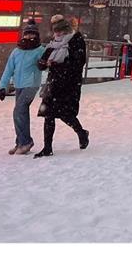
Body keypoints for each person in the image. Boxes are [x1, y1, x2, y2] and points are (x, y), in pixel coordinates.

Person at [33, 14, 89, 158]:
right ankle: (47, 147)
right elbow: (42, 60)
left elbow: (78, 63)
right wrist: (43, 63)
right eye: (55, 31)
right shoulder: (54, 43)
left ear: (66, 29)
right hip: (54, 83)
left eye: (60, 31)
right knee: (49, 114)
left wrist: (58, 66)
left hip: (69, 84)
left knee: (66, 114)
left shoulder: (76, 40)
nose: (57, 34)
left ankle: (81, 132)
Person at [0, 22, 46, 155]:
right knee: (20, 113)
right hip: (19, 85)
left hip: (31, 84)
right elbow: (9, 69)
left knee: (19, 111)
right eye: (27, 33)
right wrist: (2, 87)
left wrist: (43, 65)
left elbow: (45, 63)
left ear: (36, 36)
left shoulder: (40, 50)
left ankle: (25, 142)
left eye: (32, 34)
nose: (29, 36)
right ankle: (20, 141)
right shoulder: (17, 51)